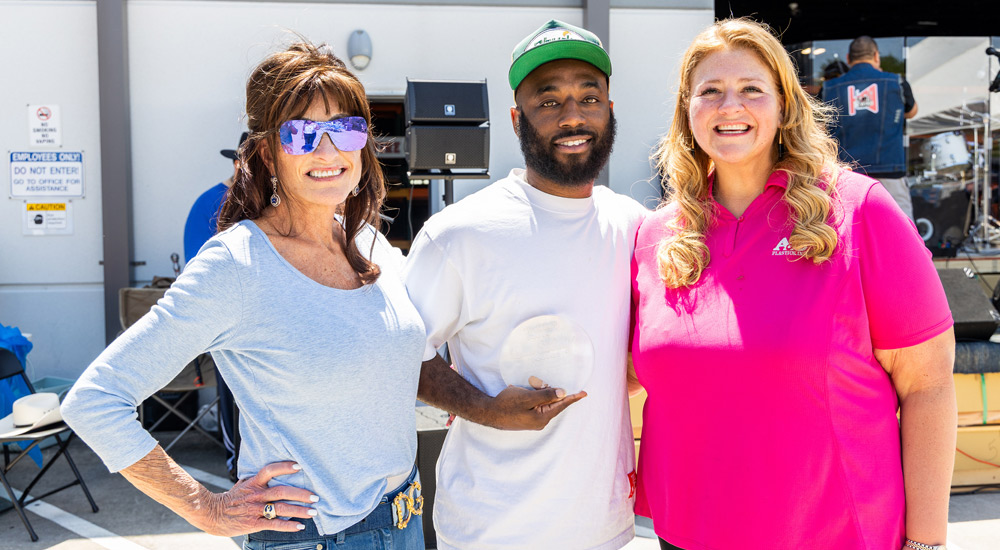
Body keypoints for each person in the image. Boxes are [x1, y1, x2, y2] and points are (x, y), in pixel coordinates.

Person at [61, 41, 427, 549]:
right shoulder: (237, 264)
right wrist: (202, 506)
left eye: (345, 127)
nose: (328, 151)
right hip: (315, 537)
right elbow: (95, 400)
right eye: (301, 133)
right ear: (266, 153)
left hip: (406, 519)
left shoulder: (369, 241)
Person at [631, 19, 956, 550]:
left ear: (784, 105)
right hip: (684, 534)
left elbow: (930, 385)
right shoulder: (655, 236)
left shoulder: (860, 210)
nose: (728, 106)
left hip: (832, 534)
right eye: (709, 91)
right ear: (687, 112)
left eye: (752, 90)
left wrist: (925, 542)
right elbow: (627, 373)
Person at [404, 19, 647, 550]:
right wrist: (487, 409)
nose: (573, 116)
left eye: (589, 96)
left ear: (610, 110)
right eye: (549, 101)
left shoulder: (633, 226)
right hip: (491, 530)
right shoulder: (460, 234)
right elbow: (398, 357)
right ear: (518, 119)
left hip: (605, 528)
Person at [183, 131, 247, 482]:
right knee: (230, 396)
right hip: (226, 323)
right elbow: (199, 272)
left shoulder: (261, 201)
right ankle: (234, 466)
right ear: (238, 163)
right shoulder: (213, 202)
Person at [823, 35, 919, 219]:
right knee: (901, 229)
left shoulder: (829, 87)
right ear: (877, 56)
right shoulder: (896, 82)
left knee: (850, 229)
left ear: (848, 58)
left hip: (847, 174)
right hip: (890, 170)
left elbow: (820, 126)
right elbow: (912, 111)